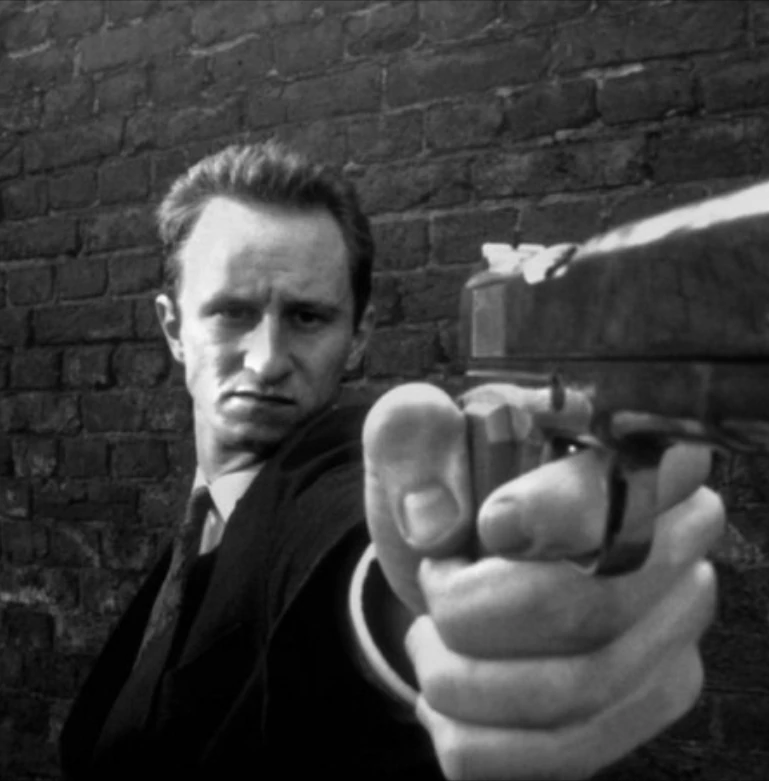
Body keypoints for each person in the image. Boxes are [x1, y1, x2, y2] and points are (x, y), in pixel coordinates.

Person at [59, 142, 723, 780]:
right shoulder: (201, 526)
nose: (265, 360)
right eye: (232, 313)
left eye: (307, 318)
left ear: (358, 336)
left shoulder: (335, 473)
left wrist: (422, 617)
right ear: (174, 327)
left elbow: (357, 555)